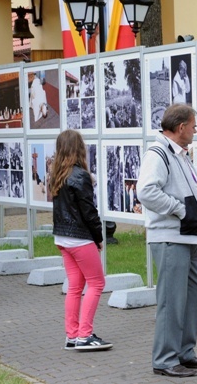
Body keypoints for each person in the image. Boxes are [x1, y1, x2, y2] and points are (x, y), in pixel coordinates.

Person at [136, 104, 197, 378]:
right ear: (180, 127)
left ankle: (184, 352)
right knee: (172, 298)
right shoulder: (158, 153)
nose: (195, 130)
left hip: (188, 236)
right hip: (171, 238)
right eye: (193, 125)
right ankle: (165, 359)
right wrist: (179, 210)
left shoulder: (180, 154)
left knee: (195, 291)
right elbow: (145, 191)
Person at [49, 129, 112, 351]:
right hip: (79, 237)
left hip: (62, 237)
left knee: (75, 286)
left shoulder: (57, 174)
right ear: (79, 148)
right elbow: (89, 211)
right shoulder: (80, 175)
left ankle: (72, 335)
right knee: (96, 283)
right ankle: (85, 335)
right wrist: (99, 237)